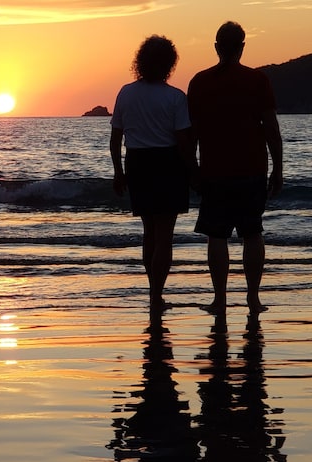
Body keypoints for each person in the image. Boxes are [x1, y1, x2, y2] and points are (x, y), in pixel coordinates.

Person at [188, 21, 284, 315]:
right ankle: (253, 299)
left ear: (216, 47)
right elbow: (270, 127)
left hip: (214, 170)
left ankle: (220, 300)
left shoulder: (200, 82)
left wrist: (192, 167)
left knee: (217, 236)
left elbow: (189, 131)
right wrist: (278, 167)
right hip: (251, 169)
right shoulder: (257, 80)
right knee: (252, 233)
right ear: (242, 47)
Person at [110, 35, 195, 314]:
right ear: (169, 64)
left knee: (149, 231)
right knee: (164, 234)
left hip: (138, 163)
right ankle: (157, 294)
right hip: (167, 162)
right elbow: (183, 142)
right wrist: (193, 171)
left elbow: (115, 139)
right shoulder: (175, 97)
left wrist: (118, 172)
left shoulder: (126, 93)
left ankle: (153, 291)